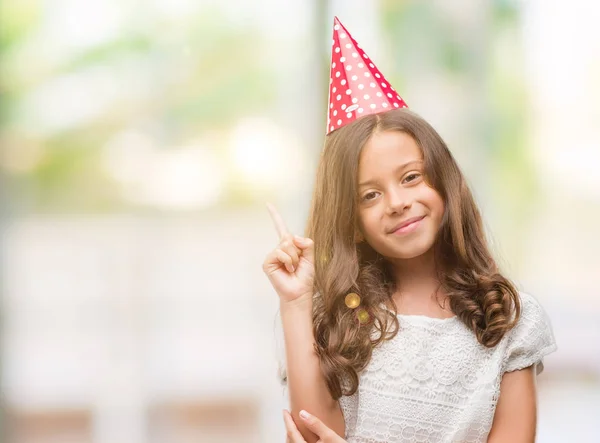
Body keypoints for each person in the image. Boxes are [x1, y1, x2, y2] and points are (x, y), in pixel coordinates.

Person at [263, 16, 557, 443]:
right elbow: (314, 434)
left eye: (411, 177)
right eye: (369, 195)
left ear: (444, 183)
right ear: (354, 223)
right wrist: (295, 302)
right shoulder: (337, 318)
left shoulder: (508, 319)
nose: (397, 202)